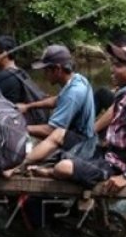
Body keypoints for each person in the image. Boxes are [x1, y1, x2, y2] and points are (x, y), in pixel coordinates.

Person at [30, 42, 126, 237]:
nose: (112, 69)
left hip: (118, 166)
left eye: (118, 66)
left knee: (62, 166)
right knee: (61, 156)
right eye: (114, 64)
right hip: (108, 155)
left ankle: (51, 181)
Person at [6, 44, 96, 175]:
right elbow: (57, 100)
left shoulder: (74, 93)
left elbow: (51, 131)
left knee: (34, 139)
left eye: (46, 70)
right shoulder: (76, 79)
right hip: (81, 138)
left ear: (58, 69)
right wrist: (28, 107)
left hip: (82, 147)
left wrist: (21, 127)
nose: (44, 74)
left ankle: (16, 166)